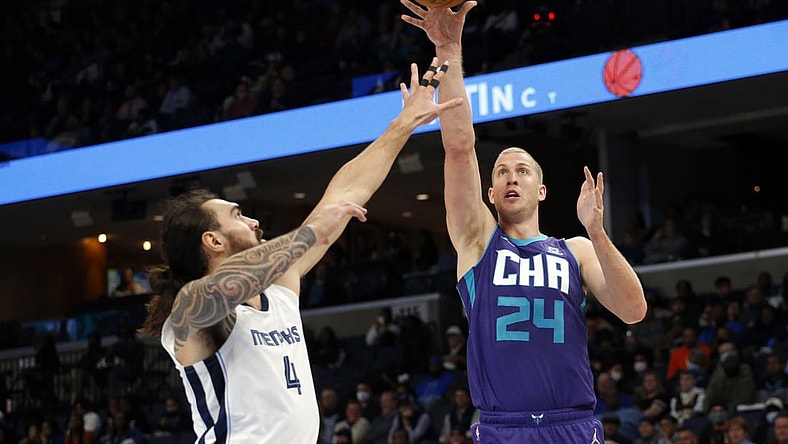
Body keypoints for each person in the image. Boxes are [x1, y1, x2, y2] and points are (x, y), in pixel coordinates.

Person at [139, 59, 461, 443]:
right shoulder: (190, 313)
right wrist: (309, 233)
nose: (254, 222)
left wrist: (403, 124)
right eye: (238, 216)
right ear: (213, 241)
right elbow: (218, 288)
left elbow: (345, 194)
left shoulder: (278, 288)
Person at [401, 2, 647, 443]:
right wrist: (448, 49)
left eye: (523, 170)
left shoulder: (575, 249)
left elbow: (634, 310)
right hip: (502, 428)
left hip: (571, 422)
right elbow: (459, 147)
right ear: (490, 195)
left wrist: (596, 230)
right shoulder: (477, 243)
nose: (511, 175)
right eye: (501, 171)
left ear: (542, 190)